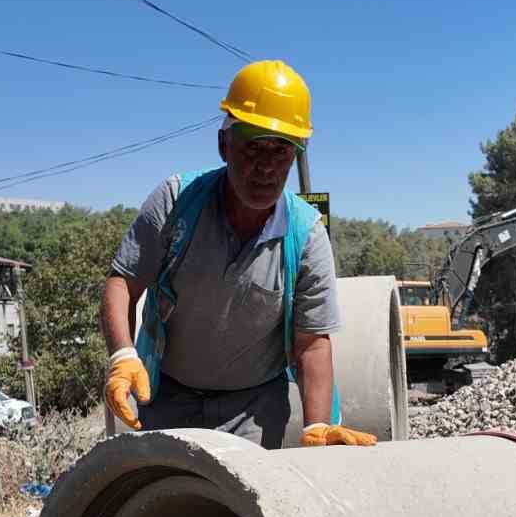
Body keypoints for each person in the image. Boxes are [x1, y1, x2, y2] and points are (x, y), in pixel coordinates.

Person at [101, 59, 377, 450]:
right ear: (223, 145)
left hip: (254, 409)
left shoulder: (307, 237)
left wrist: (316, 426)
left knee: (245, 507)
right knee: (171, 500)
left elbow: (312, 342)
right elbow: (122, 283)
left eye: (281, 151)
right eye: (253, 147)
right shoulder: (176, 204)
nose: (265, 166)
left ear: (296, 155)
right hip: (169, 396)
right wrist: (123, 356)